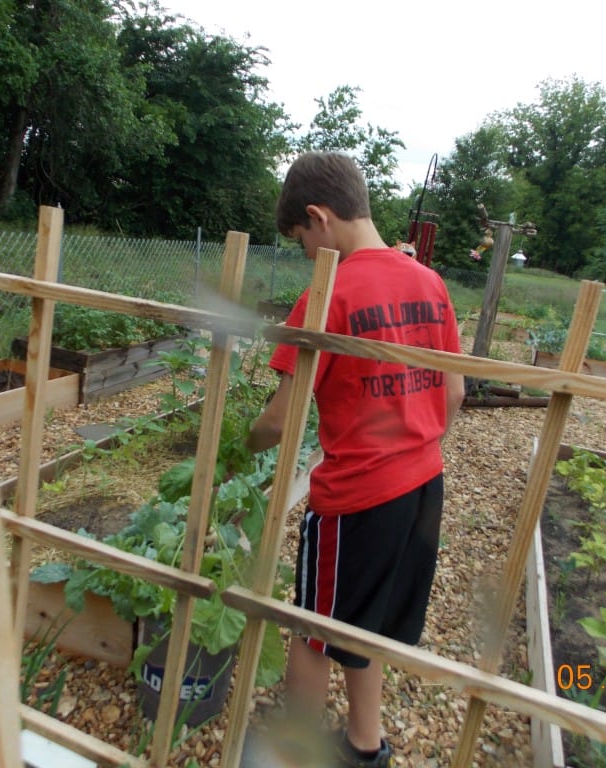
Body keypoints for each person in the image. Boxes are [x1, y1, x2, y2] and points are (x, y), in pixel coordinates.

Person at [246, 151, 464, 767]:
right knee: (367, 627)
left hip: (356, 502)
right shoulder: (430, 283)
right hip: (424, 488)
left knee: (314, 634)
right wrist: (409, 442)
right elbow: (455, 393)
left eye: (301, 241)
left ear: (318, 217)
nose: (307, 255)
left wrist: (241, 448)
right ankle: (365, 746)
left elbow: (281, 420)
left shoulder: (329, 293)